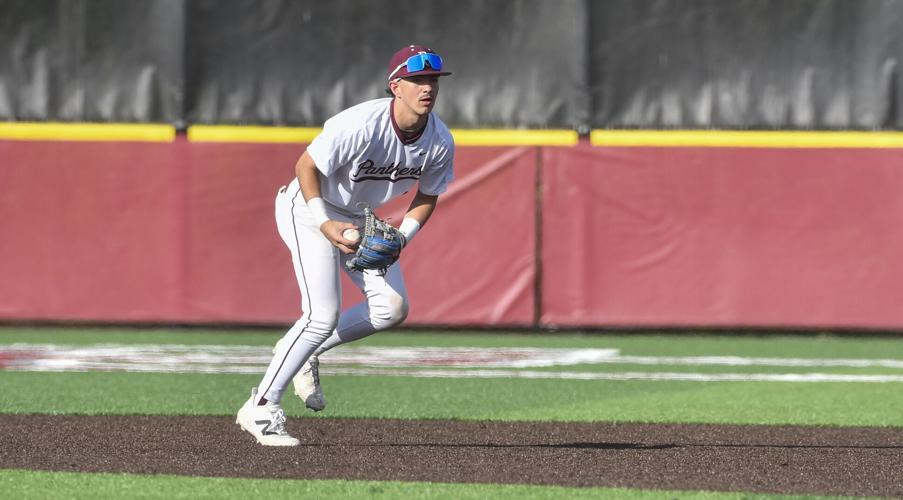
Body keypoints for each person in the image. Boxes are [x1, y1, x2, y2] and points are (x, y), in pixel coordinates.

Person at [236, 45, 455, 446]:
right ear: (396, 86)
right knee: (322, 314)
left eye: (433, 80)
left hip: (360, 219)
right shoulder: (360, 124)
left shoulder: (439, 140)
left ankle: (305, 352)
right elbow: (306, 166)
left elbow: (428, 194)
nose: (428, 88)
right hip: (308, 208)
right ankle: (261, 408)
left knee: (391, 309)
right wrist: (324, 222)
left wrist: (401, 238)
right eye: (418, 79)